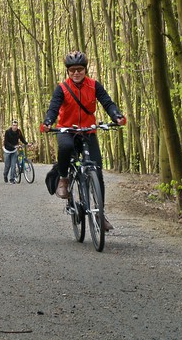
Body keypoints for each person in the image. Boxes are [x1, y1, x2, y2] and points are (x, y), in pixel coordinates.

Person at [39, 51, 126, 231]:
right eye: (72, 70)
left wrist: (116, 116)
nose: (76, 73)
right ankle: (64, 179)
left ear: (85, 70)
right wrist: (48, 122)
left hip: (88, 131)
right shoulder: (62, 88)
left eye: (79, 69)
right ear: (68, 72)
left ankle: (100, 215)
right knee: (65, 147)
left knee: (97, 171)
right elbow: (54, 108)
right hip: (67, 130)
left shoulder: (94, 86)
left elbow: (107, 102)